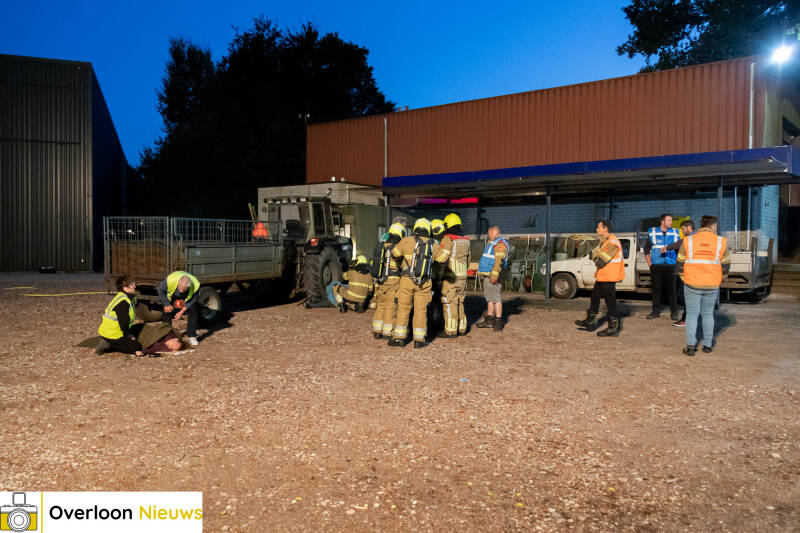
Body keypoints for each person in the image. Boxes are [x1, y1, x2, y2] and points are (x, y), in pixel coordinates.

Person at [389, 218, 450, 348]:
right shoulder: (433, 244)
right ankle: (419, 340)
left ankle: (399, 338)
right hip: (424, 282)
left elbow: (394, 254)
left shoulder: (406, 241)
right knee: (420, 310)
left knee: (403, 308)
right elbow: (444, 260)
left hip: (406, 280)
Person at [677, 215, 730, 356]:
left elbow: (680, 262)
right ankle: (707, 345)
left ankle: (690, 346)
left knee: (692, 314)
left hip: (692, 283)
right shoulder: (721, 241)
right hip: (711, 284)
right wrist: (719, 279)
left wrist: (684, 278)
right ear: (712, 226)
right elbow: (726, 265)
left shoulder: (688, 240)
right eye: (716, 226)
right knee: (707, 314)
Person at [575, 219, 624, 337]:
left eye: (598, 227)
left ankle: (613, 329)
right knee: (595, 297)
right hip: (603, 276)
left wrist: (595, 257)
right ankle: (590, 322)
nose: (596, 229)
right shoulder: (605, 242)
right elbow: (593, 255)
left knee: (610, 303)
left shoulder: (612, 243)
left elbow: (599, 262)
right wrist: (595, 256)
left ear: (605, 228)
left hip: (609, 277)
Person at [437, 213, 471, 338]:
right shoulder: (466, 240)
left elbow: (443, 260)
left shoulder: (448, 239)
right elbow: (468, 259)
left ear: (447, 225)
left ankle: (450, 331)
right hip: (463, 276)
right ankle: (462, 328)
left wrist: (439, 276)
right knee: (460, 302)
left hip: (451, 277)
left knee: (449, 302)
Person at [371, 223, 405, 339]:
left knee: (381, 305)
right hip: (393, 281)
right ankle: (387, 332)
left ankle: (377, 331)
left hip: (381, 281)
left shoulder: (382, 246)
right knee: (391, 306)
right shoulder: (398, 247)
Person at [644, 213, 681, 320]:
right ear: (662, 221)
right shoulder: (653, 232)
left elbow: (679, 250)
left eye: (671, 220)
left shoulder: (675, 232)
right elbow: (646, 249)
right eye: (669, 220)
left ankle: (674, 313)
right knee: (656, 290)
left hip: (671, 265)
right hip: (656, 266)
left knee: (672, 290)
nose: (671, 222)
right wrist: (650, 265)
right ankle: (655, 312)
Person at [96, 275, 143, 356]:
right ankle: (109, 344)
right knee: (137, 346)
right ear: (125, 288)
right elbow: (123, 323)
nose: (135, 286)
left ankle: (111, 342)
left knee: (139, 327)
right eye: (132, 284)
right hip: (113, 333)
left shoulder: (124, 296)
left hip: (113, 330)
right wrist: (129, 335)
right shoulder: (123, 302)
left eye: (134, 283)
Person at [475, 226, 509, 332]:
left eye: (490, 233)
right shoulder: (493, 243)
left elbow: (499, 262)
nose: (489, 235)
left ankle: (498, 321)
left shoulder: (500, 245)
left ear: (495, 233)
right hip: (488, 275)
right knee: (489, 298)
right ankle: (489, 319)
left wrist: (494, 276)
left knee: (496, 298)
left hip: (494, 276)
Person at [664, 219, 696, 327]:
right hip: (693, 271)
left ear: (689, 228)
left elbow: (676, 245)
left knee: (685, 296)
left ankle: (686, 320)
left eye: (683, 229)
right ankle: (689, 318)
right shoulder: (696, 239)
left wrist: (666, 248)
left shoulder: (688, 239)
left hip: (686, 272)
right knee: (689, 296)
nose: (682, 231)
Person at [157, 271, 201, 347]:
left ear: (189, 287)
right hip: (172, 293)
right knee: (166, 311)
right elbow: (160, 290)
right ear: (178, 283)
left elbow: (192, 301)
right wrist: (166, 304)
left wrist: (181, 312)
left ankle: (192, 336)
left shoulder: (195, 286)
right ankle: (167, 334)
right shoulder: (170, 281)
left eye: (183, 289)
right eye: (180, 288)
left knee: (193, 310)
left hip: (187, 296)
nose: (181, 291)